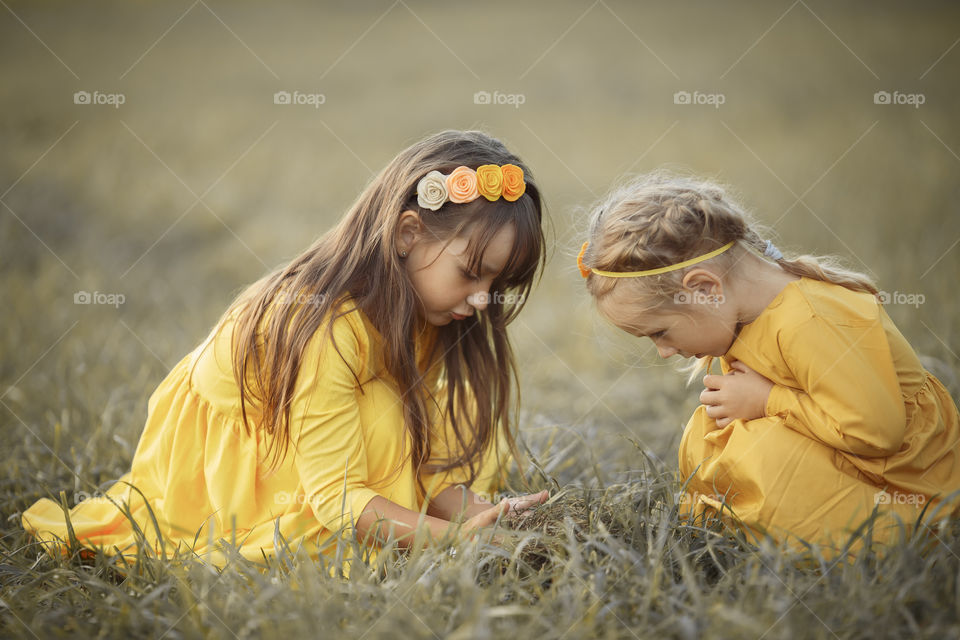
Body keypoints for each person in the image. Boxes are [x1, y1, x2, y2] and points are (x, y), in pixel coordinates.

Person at [22, 130, 550, 578]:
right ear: (408, 234)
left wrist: (481, 516)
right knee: (383, 426)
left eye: (496, 281)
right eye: (470, 273)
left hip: (323, 428)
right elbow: (340, 501)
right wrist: (454, 540)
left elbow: (426, 444)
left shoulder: (427, 307)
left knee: (450, 415)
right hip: (243, 461)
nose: (483, 299)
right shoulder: (327, 327)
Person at [576, 170, 960, 555]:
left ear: (705, 289)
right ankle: (743, 521)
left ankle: (893, 533)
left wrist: (768, 401)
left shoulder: (810, 319)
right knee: (708, 432)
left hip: (905, 476)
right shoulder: (739, 317)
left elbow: (877, 433)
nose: (663, 351)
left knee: (766, 460)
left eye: (659, 332)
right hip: (840, 446)